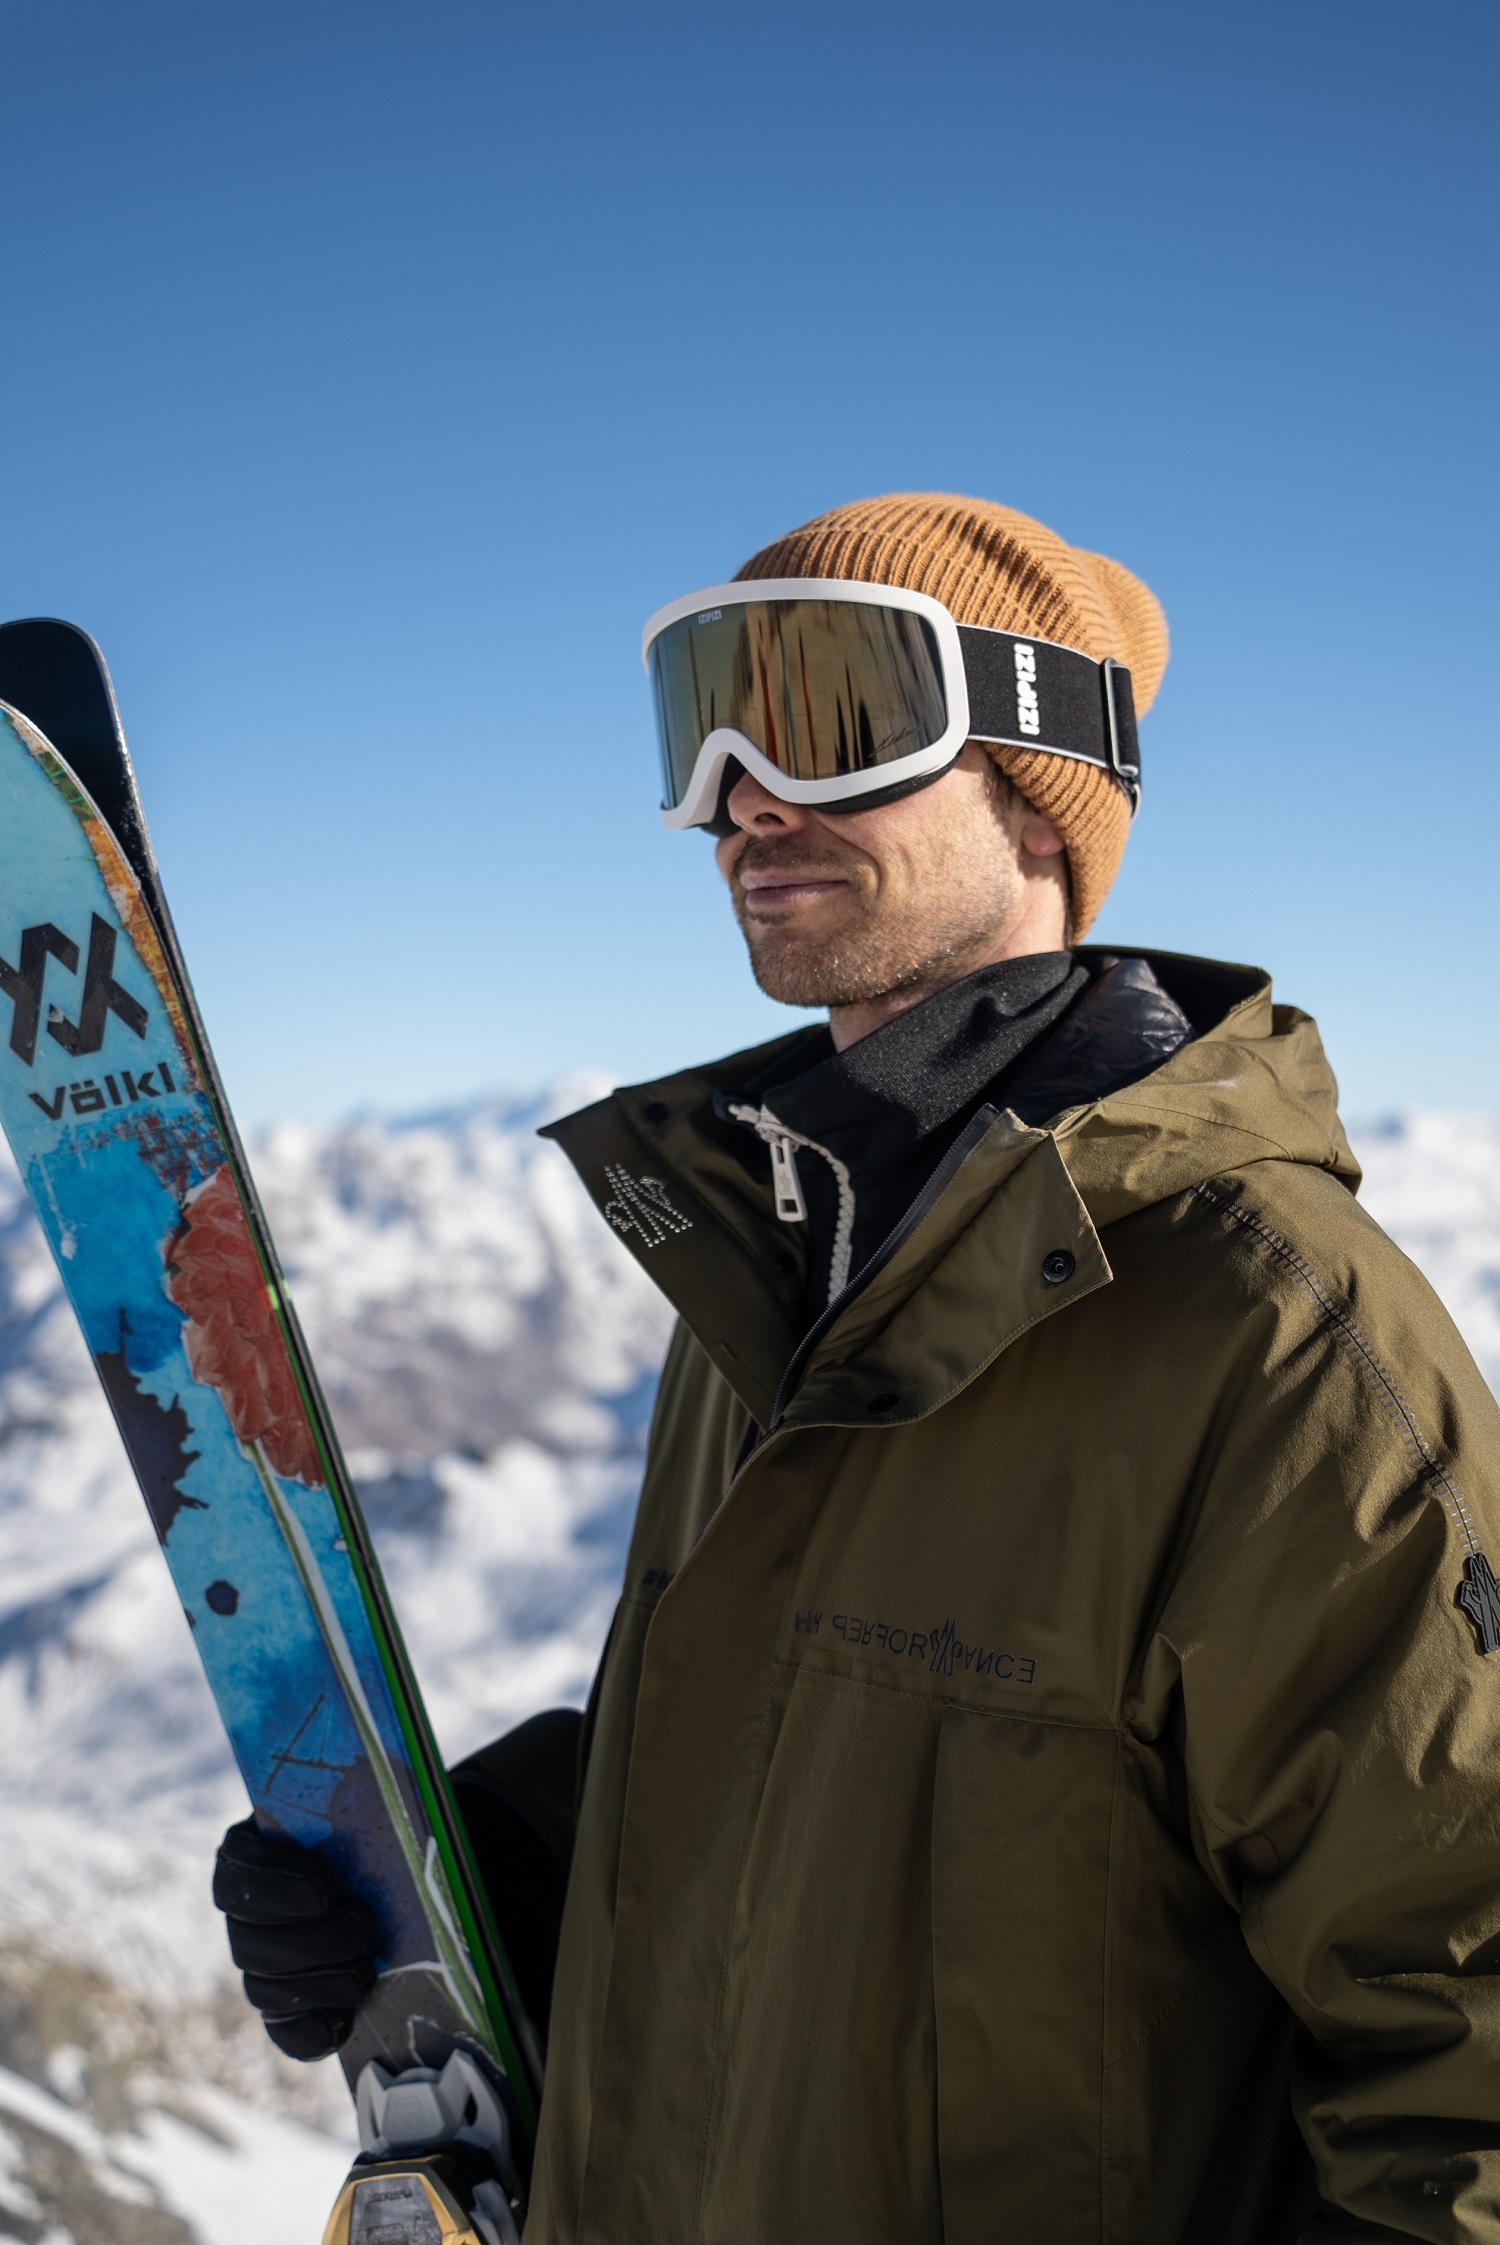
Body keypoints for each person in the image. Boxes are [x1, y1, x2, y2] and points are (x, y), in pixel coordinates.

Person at [214, 493, 1500, 2242]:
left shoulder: (1267, 1333)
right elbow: (855, 1792)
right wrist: (512, 1864)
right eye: (707, 719)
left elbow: (1464, 2062)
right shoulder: (771, 1256)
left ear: (1042, 771)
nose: (745, 794)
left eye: (828, 712)